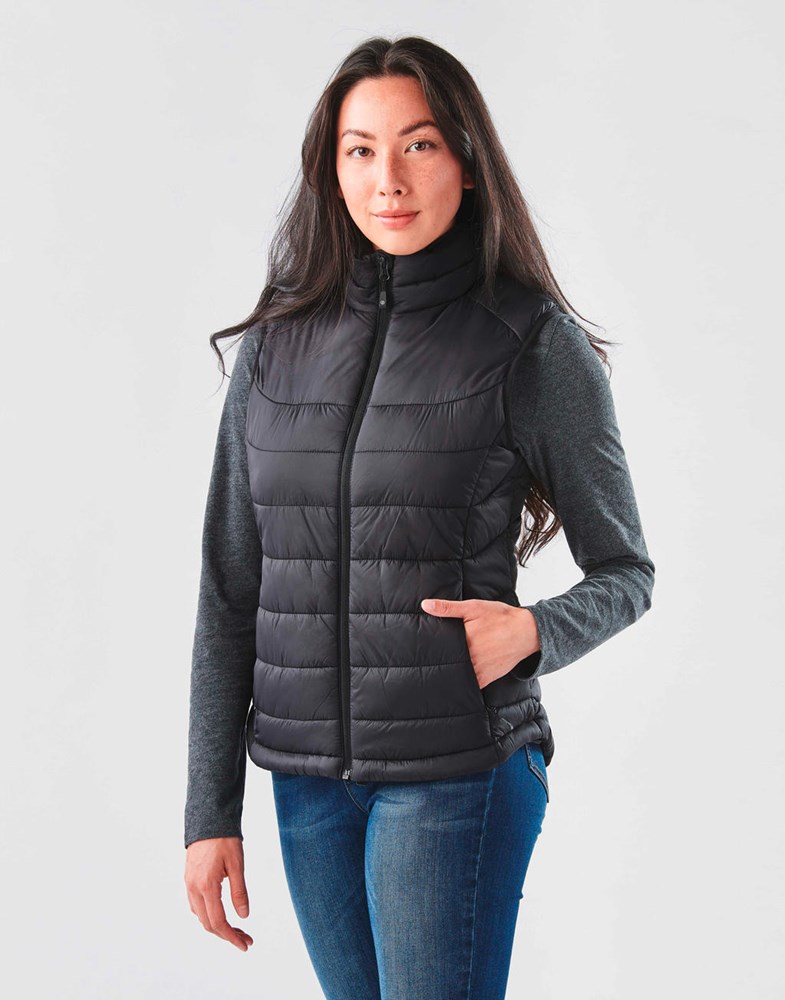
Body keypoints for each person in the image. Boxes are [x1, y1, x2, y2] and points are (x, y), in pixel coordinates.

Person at [183, 35, 655, 1000]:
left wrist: (534, 632)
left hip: (457, 772)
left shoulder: (528, 341)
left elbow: (626, 571)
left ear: (467, 163)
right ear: (331, 170)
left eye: (419, 145)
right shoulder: (276, 346)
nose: (387, 180)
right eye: (359, 150)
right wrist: (208, 812)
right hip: (305, 783)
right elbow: (232, 587)